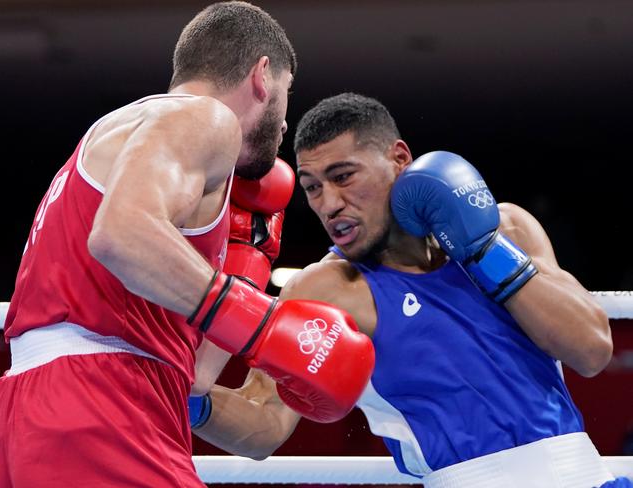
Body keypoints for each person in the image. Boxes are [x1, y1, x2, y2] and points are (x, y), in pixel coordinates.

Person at [0, 6, 375, 487]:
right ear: (262, 75)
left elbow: (192, 380)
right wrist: (261, 323)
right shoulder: (204, 118)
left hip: (82, 403)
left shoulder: (130, 134)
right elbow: (121, 235)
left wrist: (247, 256)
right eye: (286, 93)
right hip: (101, 398)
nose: (284, 125)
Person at [191, 92, 633, 487]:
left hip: (590, 476)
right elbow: (264, 422)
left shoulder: (507, 228)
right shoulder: (326, 289)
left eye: (343, 176)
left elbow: (592, 351)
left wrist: (483, 250)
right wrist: (178, 392)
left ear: (400, 158)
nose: (329, 204)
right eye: (312, 188)